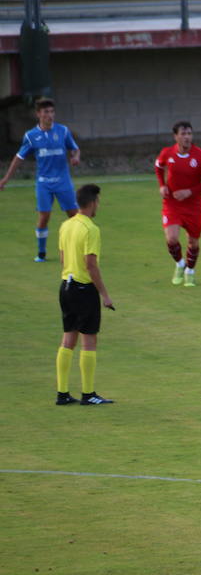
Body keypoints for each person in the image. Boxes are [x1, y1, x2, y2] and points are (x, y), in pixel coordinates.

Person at [55, 184, 115, 406]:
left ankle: (62, 393)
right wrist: (104, 295)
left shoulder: (66, 225)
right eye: (98, 201)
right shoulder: (91, 229)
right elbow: (91, 265)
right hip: (83, 289)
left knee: (68, 338)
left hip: (66, 286)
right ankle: (88, 394)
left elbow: (63, 258)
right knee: (89, 340)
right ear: (92, 203)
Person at [0, 98, 81, 263]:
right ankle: (41, 252)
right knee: (44, 217)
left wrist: (76, 157)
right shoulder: (31, 136)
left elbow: (75, 148)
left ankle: (77, 249)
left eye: (52, 112)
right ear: (38, 114)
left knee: (74, 216)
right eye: (46, 112)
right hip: (44, 183)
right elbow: (18, 158)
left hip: (63, 181)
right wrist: (6, 178)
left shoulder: (63, 131)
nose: (50, 115)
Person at [154, 121, 201, 287]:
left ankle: (190, 271)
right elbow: (158, 167)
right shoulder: (167, 153)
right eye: (183, 134)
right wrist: (162, 185)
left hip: (193, 206)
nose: (187, 137)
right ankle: (180, 264)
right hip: (172, 203)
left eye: (189, 133)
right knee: (171, 238)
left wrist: (189, 191)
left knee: (193, 242)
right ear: (176, 136)